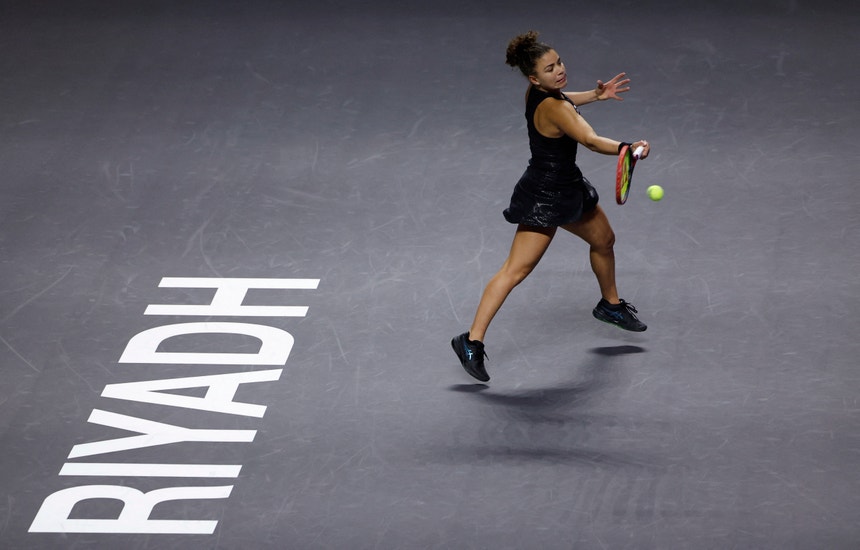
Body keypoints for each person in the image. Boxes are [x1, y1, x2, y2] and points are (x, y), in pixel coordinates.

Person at [451, 30, 650, 382]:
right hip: (544, 197)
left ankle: (610, 305)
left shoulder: (539, 94)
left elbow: (565, 100)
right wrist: (627, 148)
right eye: (549, 68)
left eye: (558, 62)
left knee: (604, 241)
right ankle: (470, 341)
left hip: (568, 188)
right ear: (534, 77)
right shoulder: (555, 107)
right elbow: (588, 139)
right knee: (516, 270)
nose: (558, 70)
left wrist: (595, 95)